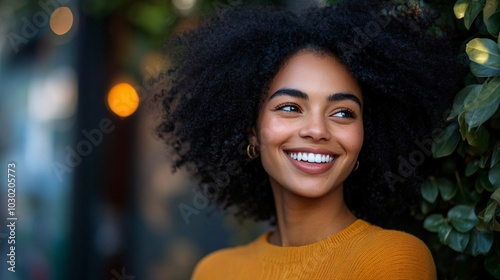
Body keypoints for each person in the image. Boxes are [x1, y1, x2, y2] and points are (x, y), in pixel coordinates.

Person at [155, 1, 464, 279]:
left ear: (366, 135)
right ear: (251, 129)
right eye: (290, 107)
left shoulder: (392, 259)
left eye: (343, 113)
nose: (317, 130)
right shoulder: (214, 272)